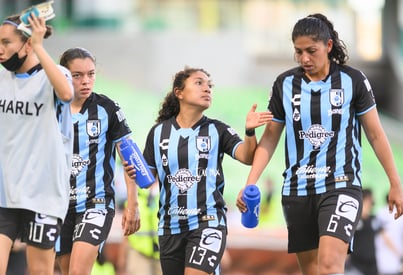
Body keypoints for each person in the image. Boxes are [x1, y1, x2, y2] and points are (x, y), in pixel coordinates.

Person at [235, 13, 403, 275]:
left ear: (328, 46)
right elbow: (270, 138)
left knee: (329, 266)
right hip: (297, 191)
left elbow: (376, 134)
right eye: (298, 51)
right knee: (313, 271)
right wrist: (250, 183)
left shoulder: (353, 81)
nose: (304, 58)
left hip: (341, 186)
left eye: (311, 51)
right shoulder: (285, 84)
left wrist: (395, 182)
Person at [124, 66, 273, 275]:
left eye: (209, 85)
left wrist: (249, 131)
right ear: (179, 92)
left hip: (208, 222)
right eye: (199, 83)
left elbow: (247, 156)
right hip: (170, 228)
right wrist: (132, 173)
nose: (207, 89)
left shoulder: (217, 129)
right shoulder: (158, 133)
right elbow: (146, 180)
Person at [55, 47, 140, 275]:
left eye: (91, 74)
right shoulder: (50, 109)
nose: (86, 81)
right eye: (77, 75)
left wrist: (133, 204)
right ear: (63, 74)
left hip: (96, 203)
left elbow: (129, 158)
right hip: (58, 205)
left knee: (77, 272)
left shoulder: (107, 108)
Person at [0, 12, 74, 275]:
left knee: (39, 272)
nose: (0, 49)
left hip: (43, 195)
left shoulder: (55, 75)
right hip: (5, 194)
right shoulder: (1, 80)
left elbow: (66, 94)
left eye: (6, 42)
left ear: (27, 44)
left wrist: (41, 47)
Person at [345, 188, 380, 275]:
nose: (372, 204)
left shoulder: (373, 219)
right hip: (356, 264)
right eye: (370, 201)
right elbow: (346, 241)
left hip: (372, 264)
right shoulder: (354, 220)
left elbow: (385, 238)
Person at [375, 194, 403, 275]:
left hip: (387, 258)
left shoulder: (380, 212)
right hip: (391, 256)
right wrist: (400, 254)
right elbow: (384, 236)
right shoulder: (383, 213)